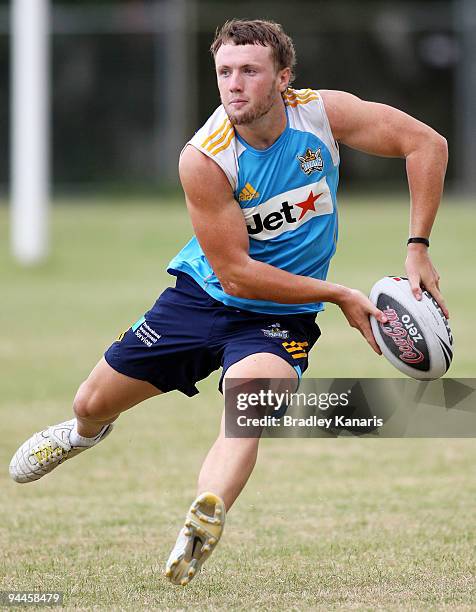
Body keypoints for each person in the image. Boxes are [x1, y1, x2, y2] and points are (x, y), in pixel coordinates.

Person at [9, 19, 449, 586]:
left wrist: (418, 247)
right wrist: (339, 293)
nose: (234, 84)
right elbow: (238, 276)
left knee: (250, 405)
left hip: (281, 316)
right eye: (224, 72)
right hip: (203, 299)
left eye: (249, 71)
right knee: (91, 401)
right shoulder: (205, 158)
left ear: (282, 78)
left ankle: (204, 513)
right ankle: (80, 435)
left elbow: (425, 144)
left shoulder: (320, 114)